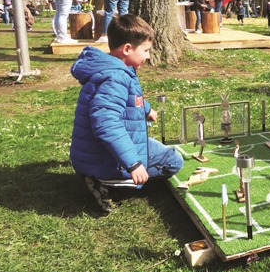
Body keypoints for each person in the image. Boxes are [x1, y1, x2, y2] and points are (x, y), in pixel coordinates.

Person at [70, 15, 184, 213]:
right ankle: (103, 181)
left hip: (91, 155)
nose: (148, 56)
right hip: (102, 158)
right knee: (173, 162)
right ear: (127, 49)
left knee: (163, 152)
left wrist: (146, 109)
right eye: (146, 50)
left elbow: (126, 100)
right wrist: (133, 163)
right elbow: (107, 124)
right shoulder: (115, 78)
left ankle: (98, 174)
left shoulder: (111, 68)